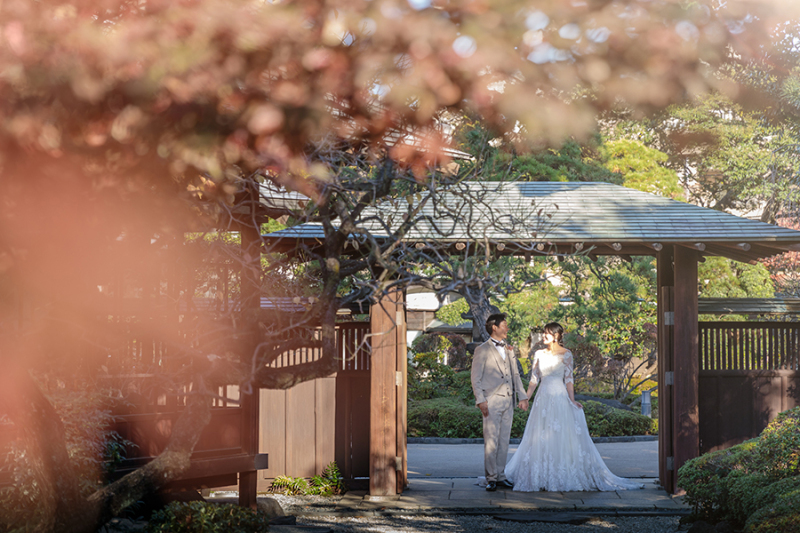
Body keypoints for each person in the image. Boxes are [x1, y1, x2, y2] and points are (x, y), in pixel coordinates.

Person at [505, 322, 644, 492]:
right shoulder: (539, 354)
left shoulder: (567, 354)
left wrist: (572, 400)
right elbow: (534, 379)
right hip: (542, 398)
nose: (543, 336)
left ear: (556, 336)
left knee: (560, 435)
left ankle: (560, 474)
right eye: (543, 333)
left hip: (560, 397)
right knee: (539, 435)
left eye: (546, 334)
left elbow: (569, 380)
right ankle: (540, 475)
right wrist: (526, 398)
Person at [470, 313, 529, 492]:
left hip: (508, 400)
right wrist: (480, 400)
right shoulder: (482, 349)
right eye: (504, 324)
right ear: (494, 327)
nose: (507, 328)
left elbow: (515, 374)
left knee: (504, 441)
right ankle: (491, 478)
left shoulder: (509, 349)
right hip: (491, 400)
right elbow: (475, 378)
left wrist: (522, 396)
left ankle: (501, 476)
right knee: (491, 441)